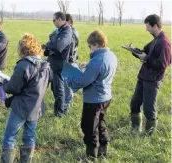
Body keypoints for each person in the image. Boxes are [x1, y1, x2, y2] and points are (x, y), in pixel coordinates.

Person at [65, 30, 117, 159]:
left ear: (97, 44)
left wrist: (68, 80)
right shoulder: (111, 56)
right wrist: (87, 65)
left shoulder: (97, 60)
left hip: (94, 99)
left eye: (90, 46)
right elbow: (101, 69)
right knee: (101, 123)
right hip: (106, 97)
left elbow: (84, 81)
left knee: (89, 127)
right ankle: (103, 152)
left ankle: (91, 156)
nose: (90, 49)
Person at [0, 33, 51, 163]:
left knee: (10, 137)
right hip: (37, 107)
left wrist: (5, 83)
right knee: (29, 136)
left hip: (21, 107)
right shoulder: (46, 65)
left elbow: (13, 87)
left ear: (23, 48)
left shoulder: (24, 65)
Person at [129, 14, 171, 136]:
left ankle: (148, 135)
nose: (146, 29)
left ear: (155, 26)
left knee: (149, 109)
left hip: (152, 80)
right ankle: (135, 127)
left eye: (148, 26)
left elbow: (163, 64)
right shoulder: (156, 39)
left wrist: (146, 58)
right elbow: (145, 51)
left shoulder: (164, 42)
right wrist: (133, 50)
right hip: (143, 76)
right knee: (135, 103)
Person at [43, 12, 72, 117]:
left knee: (59, 89)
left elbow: (58, 46)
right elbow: (54, 43)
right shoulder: (61, 30)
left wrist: (48, 44)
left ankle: (60, 112)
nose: (53, 22)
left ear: (60, 19)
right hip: (53, 63)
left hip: (59, 64)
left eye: (54, 20)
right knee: (55, 88)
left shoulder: (67, 31)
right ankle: (60, 110)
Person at [63, 13, 80, 113]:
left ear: (69, 21)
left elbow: (70, 50)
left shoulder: (71, 33)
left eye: (64, 21)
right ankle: (68, 104)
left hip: (69, 62)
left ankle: (65, 109)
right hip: (72, 61)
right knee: (67, 85)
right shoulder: (73, 31)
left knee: (67, 85)